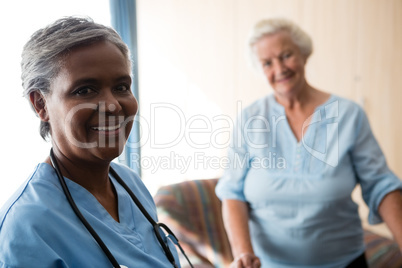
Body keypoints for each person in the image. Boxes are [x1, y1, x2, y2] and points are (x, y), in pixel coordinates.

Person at [215, 18, 402, 268]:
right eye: (267, 63)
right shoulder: (250, 119)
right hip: (269, 265)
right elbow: (232, 192)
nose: (279, 68)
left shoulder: (348, 115)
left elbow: (380, 184)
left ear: (304, 54)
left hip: (344, 262)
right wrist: (243, 254)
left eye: (286, 55)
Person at [0, 17, 185, 268]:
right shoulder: (28, 224)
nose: (113, 105)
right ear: (40, 104)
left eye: (121, 87)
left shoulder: (130, 184)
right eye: (85, 90)